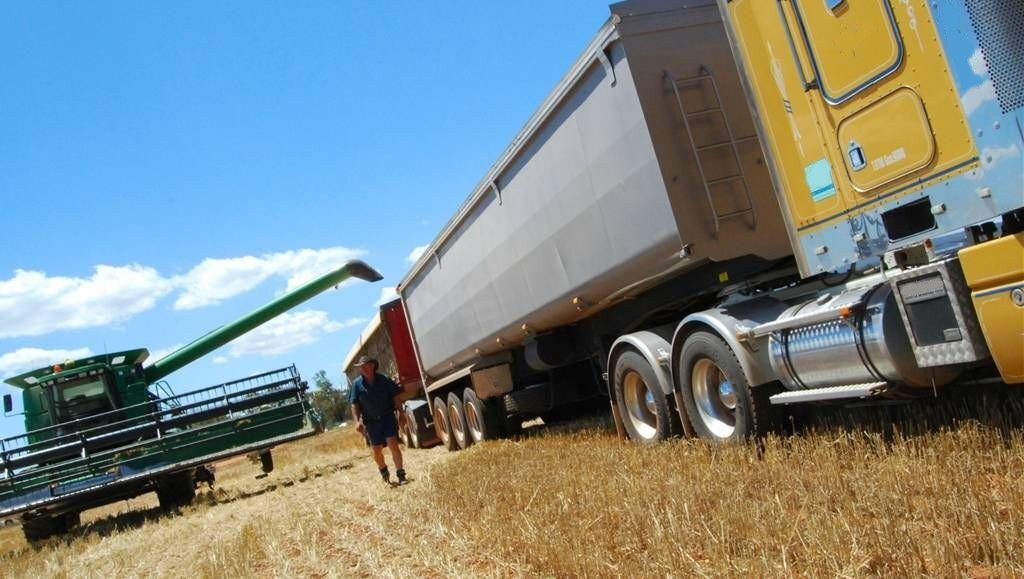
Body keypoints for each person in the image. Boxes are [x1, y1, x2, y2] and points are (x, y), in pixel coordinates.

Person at [349, 355, 407, 484]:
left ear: (372, 366)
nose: (363, 368)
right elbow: (354, 405)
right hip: (371, 422)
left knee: (393, 443)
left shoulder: (384, 380)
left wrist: (401, 413)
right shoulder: (357, 385)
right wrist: (357, 421)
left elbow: (395, 397)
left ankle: (401, 474)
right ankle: (384, 472)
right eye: (361, 367)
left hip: (387, 417)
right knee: (376, 450)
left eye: (365, 365)